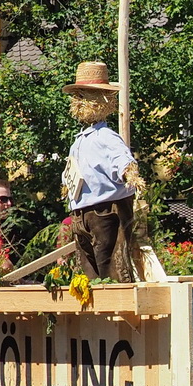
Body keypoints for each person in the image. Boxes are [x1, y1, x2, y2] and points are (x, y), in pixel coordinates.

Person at [62, 62, 143, 279]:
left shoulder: (107, 137)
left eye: (85, 96)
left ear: (103, 101)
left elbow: (123, 161)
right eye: (78, 96)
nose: (79, 102)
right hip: (84, 213)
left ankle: (120, 309)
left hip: (106, 210)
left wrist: (130, 174)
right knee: (91, 274)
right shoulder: (80, 140)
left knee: (113, 270)